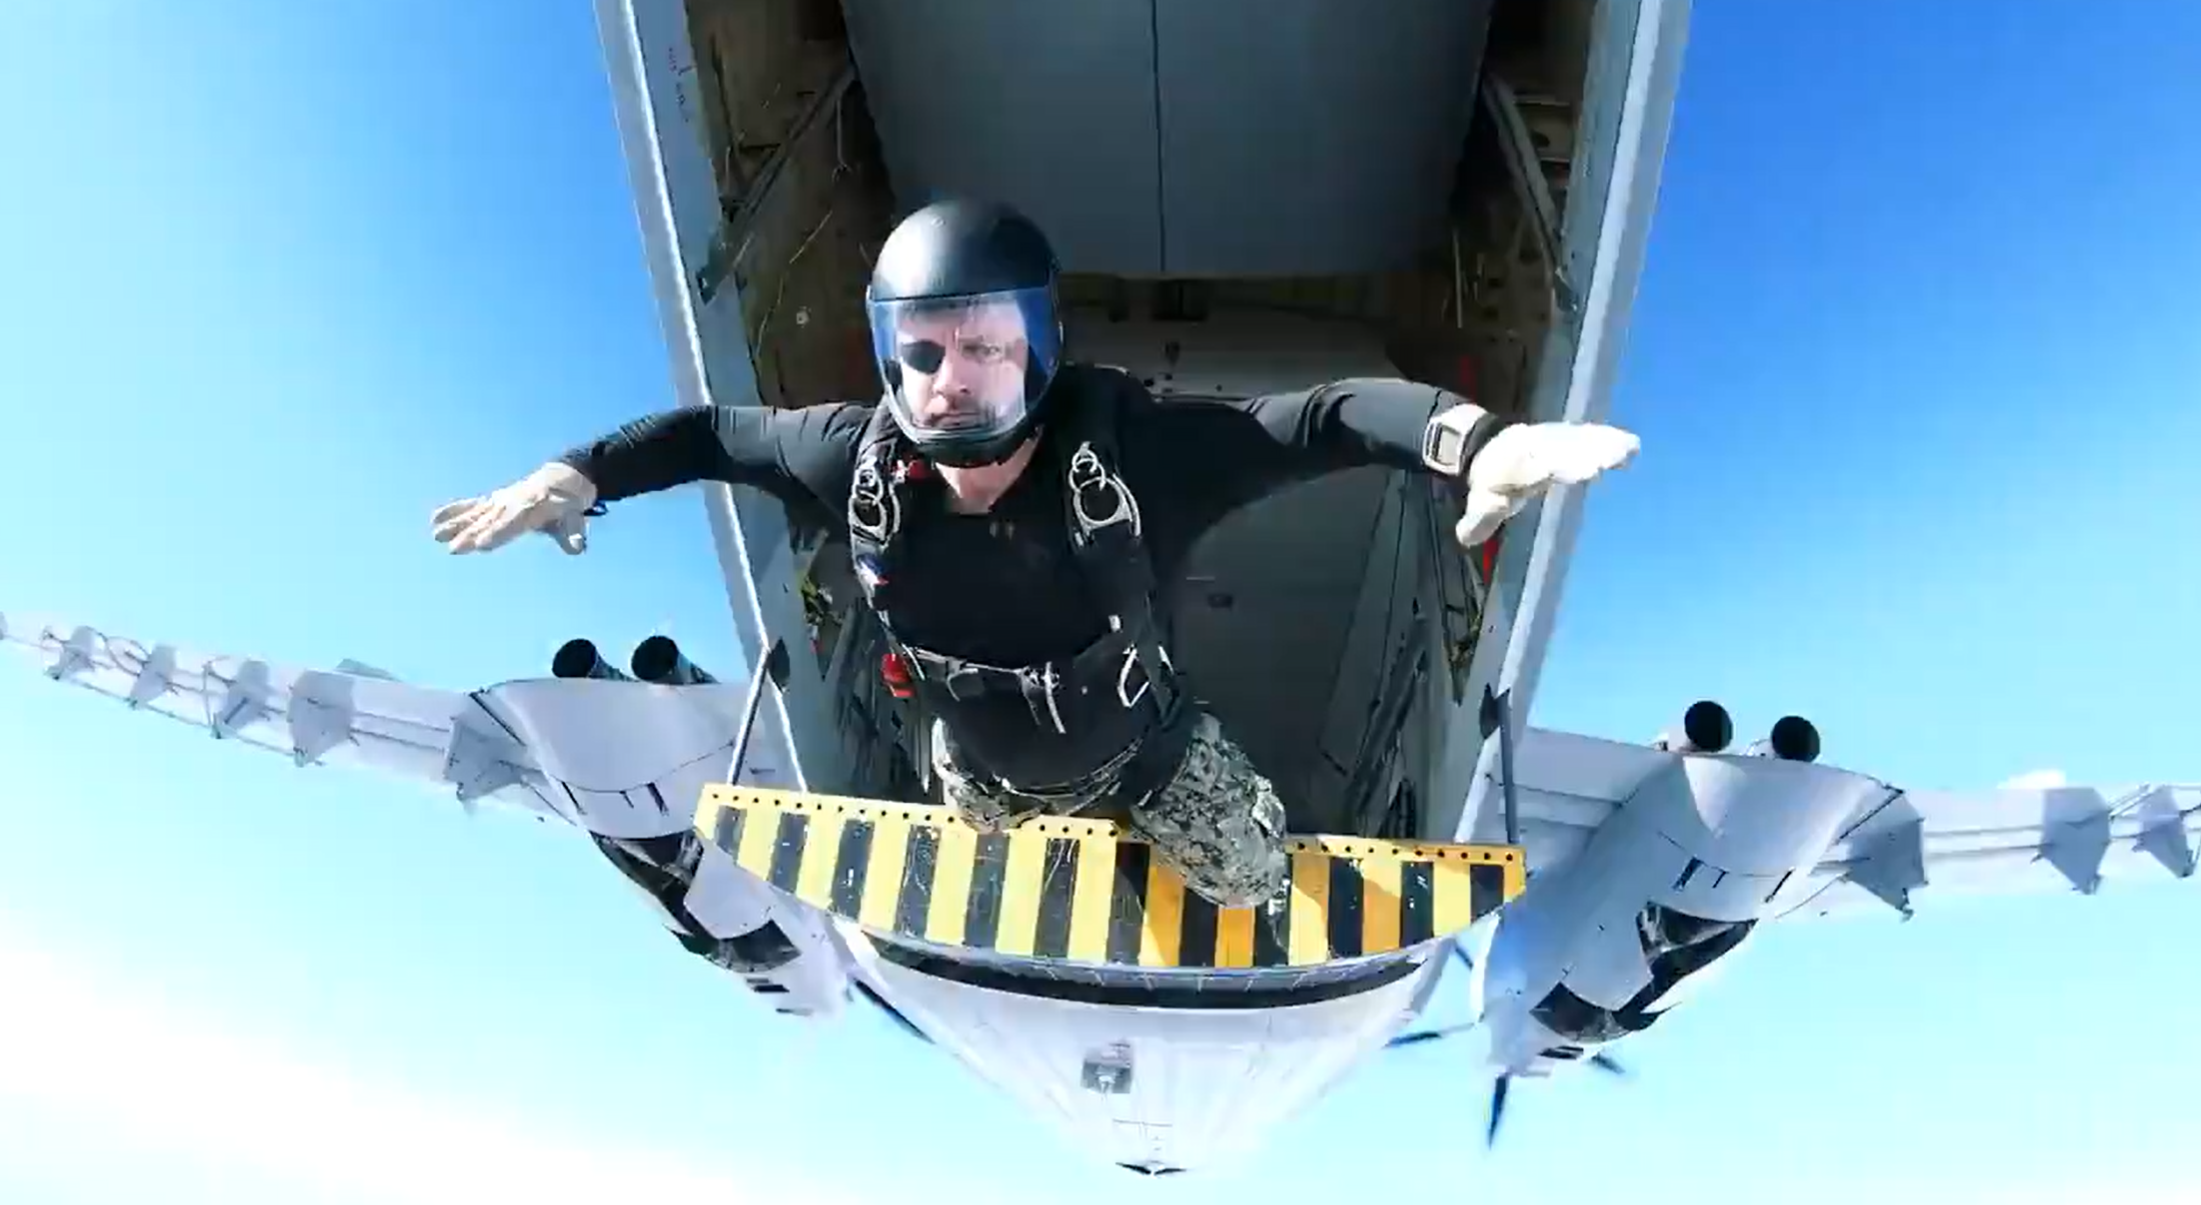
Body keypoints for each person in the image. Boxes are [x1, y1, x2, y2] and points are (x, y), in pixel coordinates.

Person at [429, 200, 1637, 911]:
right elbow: (707, 434)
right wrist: (578, 473)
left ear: (1039, 349)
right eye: (923, 352)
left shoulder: (1139, 457)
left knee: (1253, 882)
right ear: (890, 358)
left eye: (987, 347)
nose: (951, 381)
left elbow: (1324, 419)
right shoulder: (848, 460)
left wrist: (1476, 443)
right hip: (980, 762)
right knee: (986, 850)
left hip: (1149, 751)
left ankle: (1193, 828)